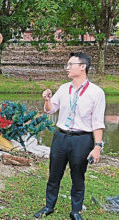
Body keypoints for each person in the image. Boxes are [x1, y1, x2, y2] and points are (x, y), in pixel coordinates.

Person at [34, 52, 106, 220]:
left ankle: (75, 211)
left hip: (82, 139)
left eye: (70, 64)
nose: (67, 68)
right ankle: (48, 206)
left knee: (78, 176)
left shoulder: (96, 92)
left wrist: (97, 147)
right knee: (54, 174)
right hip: (61, 137)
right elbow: (51, 109)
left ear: (83, 67)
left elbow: (97, 123)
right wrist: (47, 100)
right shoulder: (64, 88)